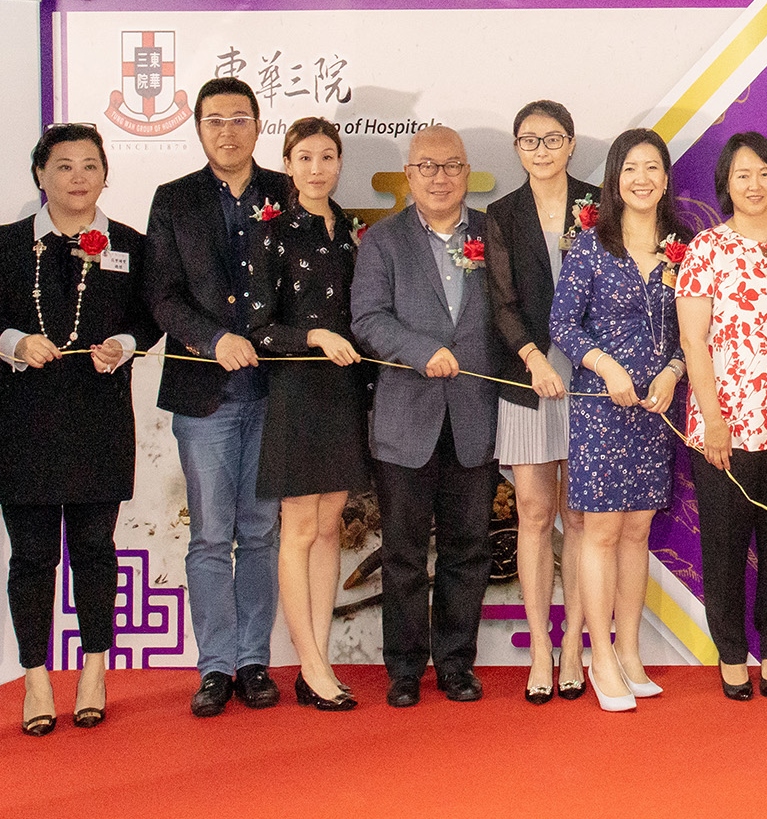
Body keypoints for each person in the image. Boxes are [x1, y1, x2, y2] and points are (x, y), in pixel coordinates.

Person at [0, 123, 157, 737]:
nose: (78, 178)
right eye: (63, 166)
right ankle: (35, 678)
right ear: (40, 174)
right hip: (24, 420)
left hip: (98, 417)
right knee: (31, 555)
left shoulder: (128, 243)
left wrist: (124, 344)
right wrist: (15, 342)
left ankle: (94, 671)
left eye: (89, 166)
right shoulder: (9, 242)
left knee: (95, 550)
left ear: (105, 174)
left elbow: (149, 319)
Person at [143, 76, 297, 717]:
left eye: (239, 119)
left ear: (257, 126)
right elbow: (160, 295)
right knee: (210, 536)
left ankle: (254, 661)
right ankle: (214, 667)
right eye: (215, 120)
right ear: (198, 128)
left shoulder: (287, 192)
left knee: (260, 531)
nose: (227, 131)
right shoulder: (174, 199)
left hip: (275, 391)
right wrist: (213, 339)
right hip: (204, 393)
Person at [349, 125, 503, 708]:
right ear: (409, 175)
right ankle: (405, 668)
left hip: (476, 416)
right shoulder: (383, 241)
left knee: (468, 549)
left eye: (452, 165)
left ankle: (457, 664)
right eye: (427, 167)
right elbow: (367, 318)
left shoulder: (493, 234)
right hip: (405, 419)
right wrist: (421, 351)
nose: (440, 178)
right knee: (404, 554)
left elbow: (511, 312)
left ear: (468, 172)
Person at [677, 132, 767, 701]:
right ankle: (732, 654)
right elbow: (693, 341)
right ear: (727, 184)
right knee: (724, 548)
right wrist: (714, 420)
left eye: (764, 173)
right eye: (743, 175)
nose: (755, 184)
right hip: (723, 430)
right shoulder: (706, 249)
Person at [552, 129, 686, 712]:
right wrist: (606, 366)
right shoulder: (590, 246)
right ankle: (600, 656)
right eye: (630, 168)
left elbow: (694, 332)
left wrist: (674, 372)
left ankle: (630, 652)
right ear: (614, 178)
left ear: (665, 178)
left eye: (652, 167)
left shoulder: (683, 248)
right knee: (602, 531)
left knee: (637, 532)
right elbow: (562, 324)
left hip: (656, 411)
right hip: (600, 408)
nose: (642, 178)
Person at [246, 117, 371, 711]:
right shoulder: (272, 231)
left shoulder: (352, 231)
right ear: (287, 166)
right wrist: (315, 336)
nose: (317, 168)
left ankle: (318, 659)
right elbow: (257, 328)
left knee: (328, 526)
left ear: (339, 163)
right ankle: (311, 664)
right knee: (298, 529)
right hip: (296, 390)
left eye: (327, 157)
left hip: (344, 392)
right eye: (305, 158)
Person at [484, 100, 597, 704]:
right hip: (526, 375)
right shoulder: (501, 214)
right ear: (516, 148)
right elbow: (500, 302)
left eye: (553, 138)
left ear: (572, 143)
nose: (542, 150)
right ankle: (538, 650)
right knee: (532, 512)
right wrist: (532, 359)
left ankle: (574, 646)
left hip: (591, 377)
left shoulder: (599, 204)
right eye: (529, 140)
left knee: (578, 516)